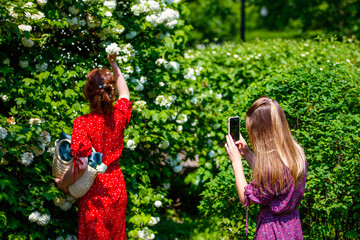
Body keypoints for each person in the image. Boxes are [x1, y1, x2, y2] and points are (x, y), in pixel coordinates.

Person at [55, 54, 131, 239]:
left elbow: (81, 165)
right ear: (110, 92)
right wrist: (114, 64)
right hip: (116, 185)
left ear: (87, 93)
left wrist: (64, 185)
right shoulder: (119, 116)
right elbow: (125, 94)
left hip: (94, 188)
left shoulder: (82, 123)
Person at [225, 96, 307, 239]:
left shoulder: (272, 169)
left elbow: (247, 200)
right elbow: (272, 182)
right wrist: (247, 154)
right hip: (292, 228)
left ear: (260, 134)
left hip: (272, 232)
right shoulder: (297, 155)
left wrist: (236, 162)